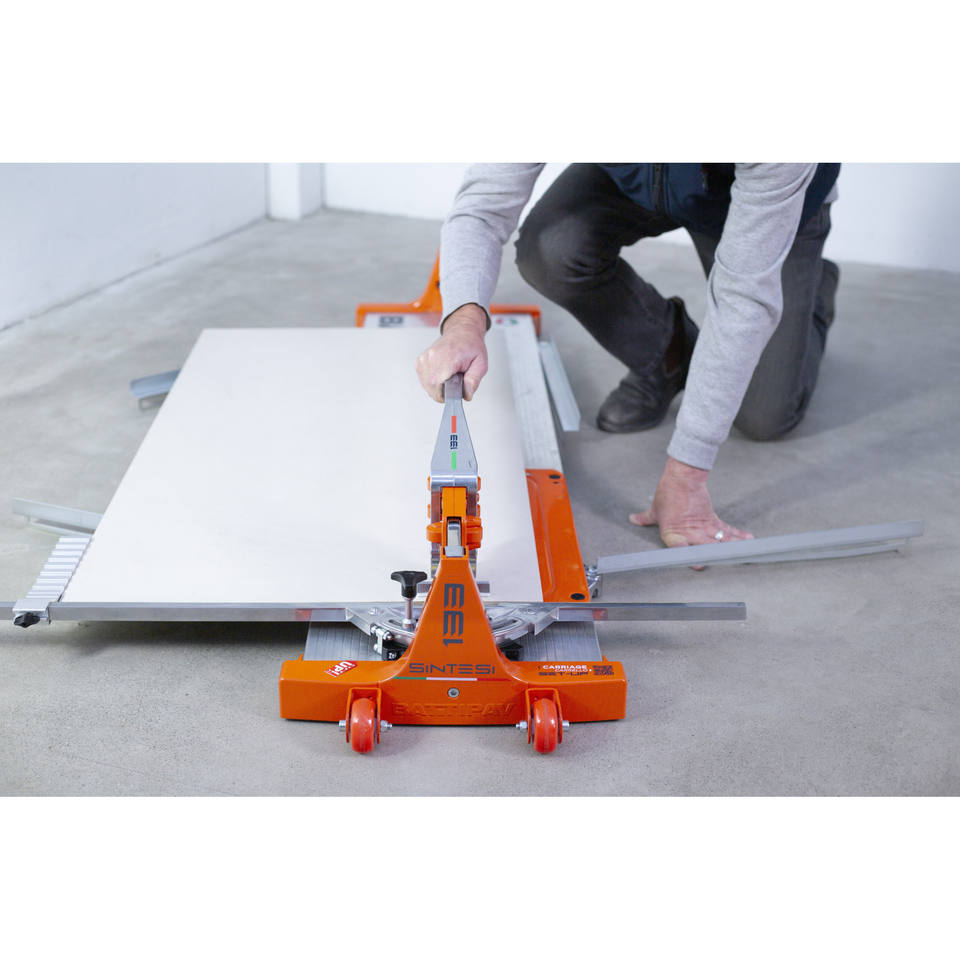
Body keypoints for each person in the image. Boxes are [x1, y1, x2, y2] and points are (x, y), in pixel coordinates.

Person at [415, 163, 840, 549]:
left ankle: (810, 294)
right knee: (552, 248)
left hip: (761, 200)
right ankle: (669, 352)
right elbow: (483, 208)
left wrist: (687, 473)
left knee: (764, 416)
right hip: (640, 179)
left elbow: (744, 298)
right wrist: (463, 322)